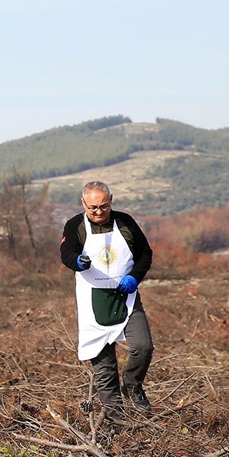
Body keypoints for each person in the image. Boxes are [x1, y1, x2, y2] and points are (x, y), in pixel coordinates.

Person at [60, 181, 154, 428]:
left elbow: (145, 253)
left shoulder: (125, 222)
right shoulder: (75, 225)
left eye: (104, 206)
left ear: (111, 200)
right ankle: (117, 421)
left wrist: (135, 277)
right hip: (93, 301)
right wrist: (77, 262)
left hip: (127, 296)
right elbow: (66, 252)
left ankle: (133, 385)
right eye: (93, 208)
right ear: (83, 203)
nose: (99, 212)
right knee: (104, 365)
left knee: (143, 347)